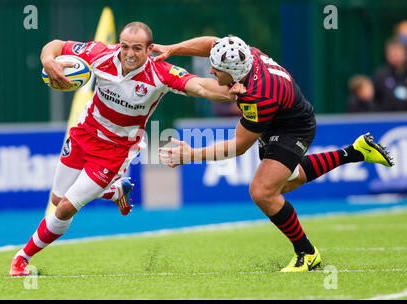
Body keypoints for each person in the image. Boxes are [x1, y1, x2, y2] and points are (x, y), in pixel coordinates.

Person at [9, 22, 238, 277]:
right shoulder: (100, 54)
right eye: (125, 46)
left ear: (150, 49)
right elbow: (57, 45)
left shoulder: (162, 73)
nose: (129, 53)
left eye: (137, 48)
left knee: (64, 208)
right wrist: (48, 60)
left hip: (115, 152)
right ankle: (115, 189)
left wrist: (236, 92)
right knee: (56, 199)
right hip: (83, 134)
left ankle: (21, 259)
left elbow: (203, 87)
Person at [155, 35, 395, 272]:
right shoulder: (241, 52)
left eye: (217, 69)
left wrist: (192, 154)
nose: (211, 71)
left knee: (263, 191)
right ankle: (355, 152)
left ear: (234, 72)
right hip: (279, 116)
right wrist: (172, 48)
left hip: (293, 128)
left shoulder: (258, 97)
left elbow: (238, 146)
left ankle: (307, 253)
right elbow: (212, 44)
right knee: (287, 181)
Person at [372, 37, 407, 112]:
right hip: (386, 120)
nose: (395, 54)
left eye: (398, 50)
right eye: (391, 51)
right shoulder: (380, 75)